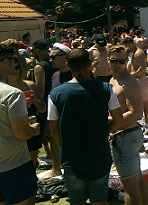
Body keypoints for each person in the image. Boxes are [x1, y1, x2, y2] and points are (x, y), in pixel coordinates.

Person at [47, 48, 124, 205]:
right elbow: (118, 119)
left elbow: (53, 129)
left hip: (71, 155)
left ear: (68, 65)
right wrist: (104, 131)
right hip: (98, 153)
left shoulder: (56, 94)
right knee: (100, 200)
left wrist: (62, 147)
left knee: (77, 200)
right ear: (90, 64)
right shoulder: (106, 89)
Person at [108, 45, 148, 205]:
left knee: (129, 187)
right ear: (108, 61)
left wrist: (110, 126)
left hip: (125, 136)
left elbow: (136, 113)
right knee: (137, 179)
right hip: (126, 135)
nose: (117, 65)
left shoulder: (128, 82)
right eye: (114, 61)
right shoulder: (114, 79)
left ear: (127, 61)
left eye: (121, 61)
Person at [0, 44, 39, 205]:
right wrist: (34, 129)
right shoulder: (12, 94)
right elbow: (22, 133)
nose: (15, 64)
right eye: (12, 60)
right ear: (4, 62)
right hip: (14, 166)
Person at [122, 37, 148, 126]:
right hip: (136, 80)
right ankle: (142, 120)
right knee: (137, 101)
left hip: (141, 80)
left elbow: (142, 68)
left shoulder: (139, 53)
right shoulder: (132, 53)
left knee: (145, 102)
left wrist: (131, 75)